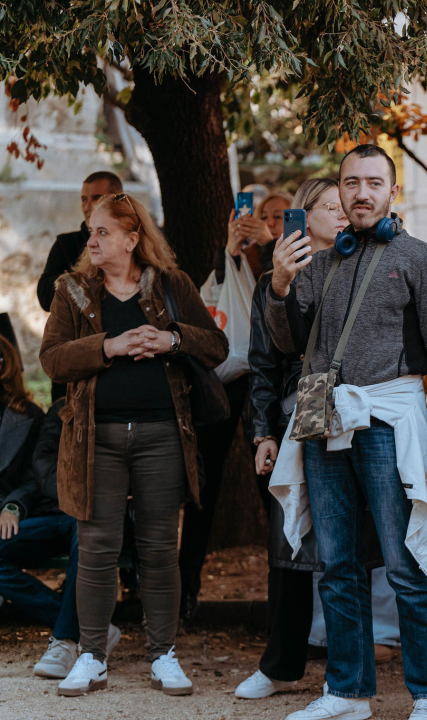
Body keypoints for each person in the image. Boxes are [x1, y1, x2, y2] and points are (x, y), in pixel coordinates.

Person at [264, 143, 427, 720]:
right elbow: (286, 343)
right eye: (351, 183)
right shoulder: (317, 266)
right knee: (337, 565)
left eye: (373, 182)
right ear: (340, 191)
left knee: (408, 564)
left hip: (390, 424)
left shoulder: (422, 260)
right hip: (325, 422)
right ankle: (347, 693)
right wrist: (278, 285)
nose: (361, 193)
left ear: (392, 190)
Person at [39, 192, 228, 697]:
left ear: (132, 237)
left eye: (102, 231)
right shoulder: (73, 291)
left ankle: (163, 654)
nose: (92, 240)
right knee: (98, 549)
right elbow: (52, 359)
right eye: (90, 232)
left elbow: (216, 346)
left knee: (160, 551)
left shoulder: (172, 285)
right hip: (94, 438)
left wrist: (173, 339)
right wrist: (108, 346)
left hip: (162, 437)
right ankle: (91, 656)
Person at [234, 178, 342, 699]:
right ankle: (281, 665)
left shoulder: (365, 265)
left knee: (349, 547)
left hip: (354, 414)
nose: (343, 213)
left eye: (348, 205)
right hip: (292, 412)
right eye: (330, 206)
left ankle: (347, 672)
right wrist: (262, 433)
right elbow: (262, 363)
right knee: (288, 544)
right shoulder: (277, 280)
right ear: (305, 214)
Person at [178, 189, 294, 624]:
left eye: (281, 216)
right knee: (202, 486)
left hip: (274, 386)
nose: (271, 223)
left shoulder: (295, 256)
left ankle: (283, 605)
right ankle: (185, 592)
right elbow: (211, 299)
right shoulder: (239, 259)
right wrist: (232, 247)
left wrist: (267, 242)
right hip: (228, 385)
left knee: (276, 495)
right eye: (264, 216)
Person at [0, 338, 120, 679]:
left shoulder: (28, 416)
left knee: (86, 528)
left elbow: (27, 475)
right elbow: (41, 467)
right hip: (45, 513)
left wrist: (12, 505)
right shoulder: (58, 413)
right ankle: (89, 628)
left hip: (85, 517)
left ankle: (66, 639)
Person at [37, 171, 124, 402]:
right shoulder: (66, 245)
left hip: (122, 364)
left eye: (96, 198)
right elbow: (45, 297)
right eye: (83, 199)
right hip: (74, 367)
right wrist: (83, 280)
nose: (87, 206)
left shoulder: (132, 246)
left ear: (118, 199)